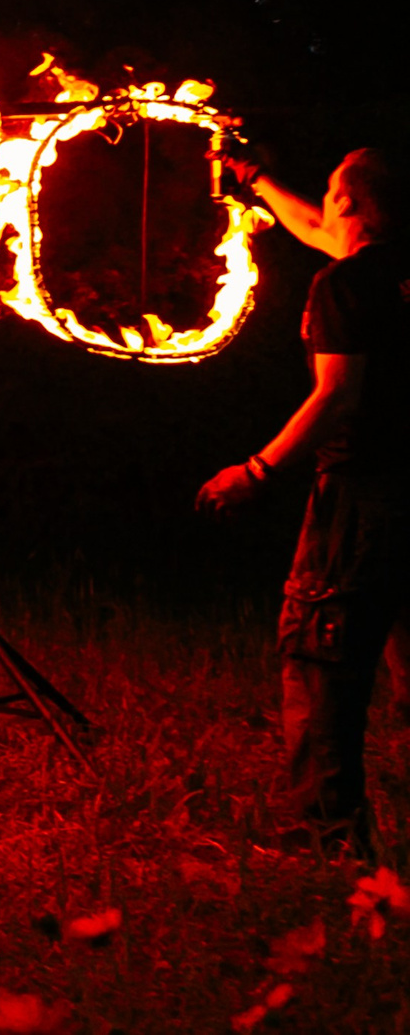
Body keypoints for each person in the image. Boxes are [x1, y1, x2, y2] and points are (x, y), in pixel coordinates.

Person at [198, 146, 408, 855]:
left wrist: (255, 472)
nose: (324, 204)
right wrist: (252, 175)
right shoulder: (396, 272)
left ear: (351, 203)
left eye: (331, 190)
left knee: (321, 662)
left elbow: (337, 394)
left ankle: (330, 842)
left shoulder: (343, 285)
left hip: (361, 501)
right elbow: (314, 224)